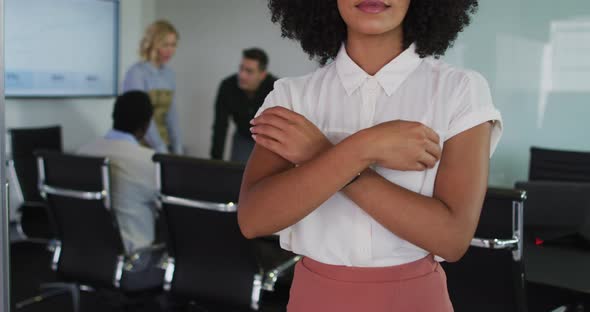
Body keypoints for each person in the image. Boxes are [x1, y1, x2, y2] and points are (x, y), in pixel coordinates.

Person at [238, 0, 502, 311]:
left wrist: (320, 153)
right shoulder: (291, 97)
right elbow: (253, 220)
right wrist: (365, 147)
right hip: (314, 300)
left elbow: (452, 238)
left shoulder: (459, 91)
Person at [78, 91, 157, 255]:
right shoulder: (150, 161)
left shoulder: (83, 153)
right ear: (146, 125)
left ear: (114, 117)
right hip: (134, 258)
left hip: (85, 251)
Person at [122, 20, 183, 154]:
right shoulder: (136, 73)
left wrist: (178, 147)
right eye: (165, 45)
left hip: (163, 143)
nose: (170, 50)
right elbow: (141, 115)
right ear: (152, 44)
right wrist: (160, 147)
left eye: (173, 45)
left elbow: (171, 114)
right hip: (139, 144)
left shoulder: (169, 74)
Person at [210, 48, 277, 163]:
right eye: (241, 69)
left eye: (249, 71)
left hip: (268, 140)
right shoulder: (227, 86)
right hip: (242, 137)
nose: (242, 75)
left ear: (262, 75)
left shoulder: (275, 89)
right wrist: (215, 161)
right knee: (237, 175)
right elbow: (220, 126)